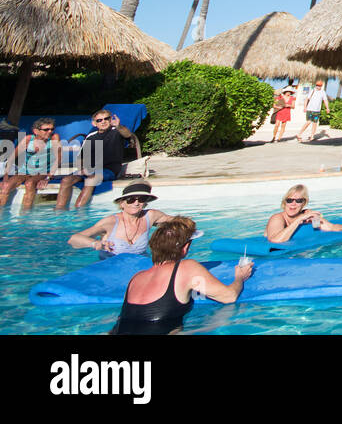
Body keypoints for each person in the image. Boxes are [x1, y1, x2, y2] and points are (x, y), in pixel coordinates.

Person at [111, 217, 251, 335]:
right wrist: (240, 277)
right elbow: (229, 297)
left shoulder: (136, 278)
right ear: (185, 248)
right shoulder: (186, 267)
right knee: (223, 318)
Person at [55, 109, 138, 209]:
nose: (103, 121)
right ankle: (59, 212)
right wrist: (81, 169)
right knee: (66, 180)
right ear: (94, 123)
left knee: (91, 179)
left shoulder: (116, 132)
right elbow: (82, 157)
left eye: (106, 119)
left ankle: (78, 212)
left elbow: (128, 134)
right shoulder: (91, 137)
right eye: (99, 120)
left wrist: (118, 126)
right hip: (90, 169)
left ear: (110, 119)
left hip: (109, 170)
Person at [68, 182, 177, 257]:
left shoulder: (150, 216)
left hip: (139, 266)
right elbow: (74, 239)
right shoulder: (110, 222)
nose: (136, 203)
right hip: (112, 268)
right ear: (121, 204)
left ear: (145, 203)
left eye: (141, 199)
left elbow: (179, 221)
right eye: (131, 200)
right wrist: (95, 243)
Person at [1, 117, 62, 210]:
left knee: (30, 184)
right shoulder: (28, 139)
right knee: (6, 186)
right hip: (24, 171)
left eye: (52, 129)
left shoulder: (54, 138)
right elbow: (12, 157)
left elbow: (58, 158)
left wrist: (48, 177)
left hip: (42, 172)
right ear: (36, 131)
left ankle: (25, 217)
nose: (50, 131)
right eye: (46, 129)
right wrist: (6, 177)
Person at [264, 184, 342, 242]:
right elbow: (275, 240)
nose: (293, 204)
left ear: (304, 203)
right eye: (289, 200)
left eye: (298, 201)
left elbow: (329, 227)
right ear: (285, 202)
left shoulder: (308, 216)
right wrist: (299, 220)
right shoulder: (277, 218)